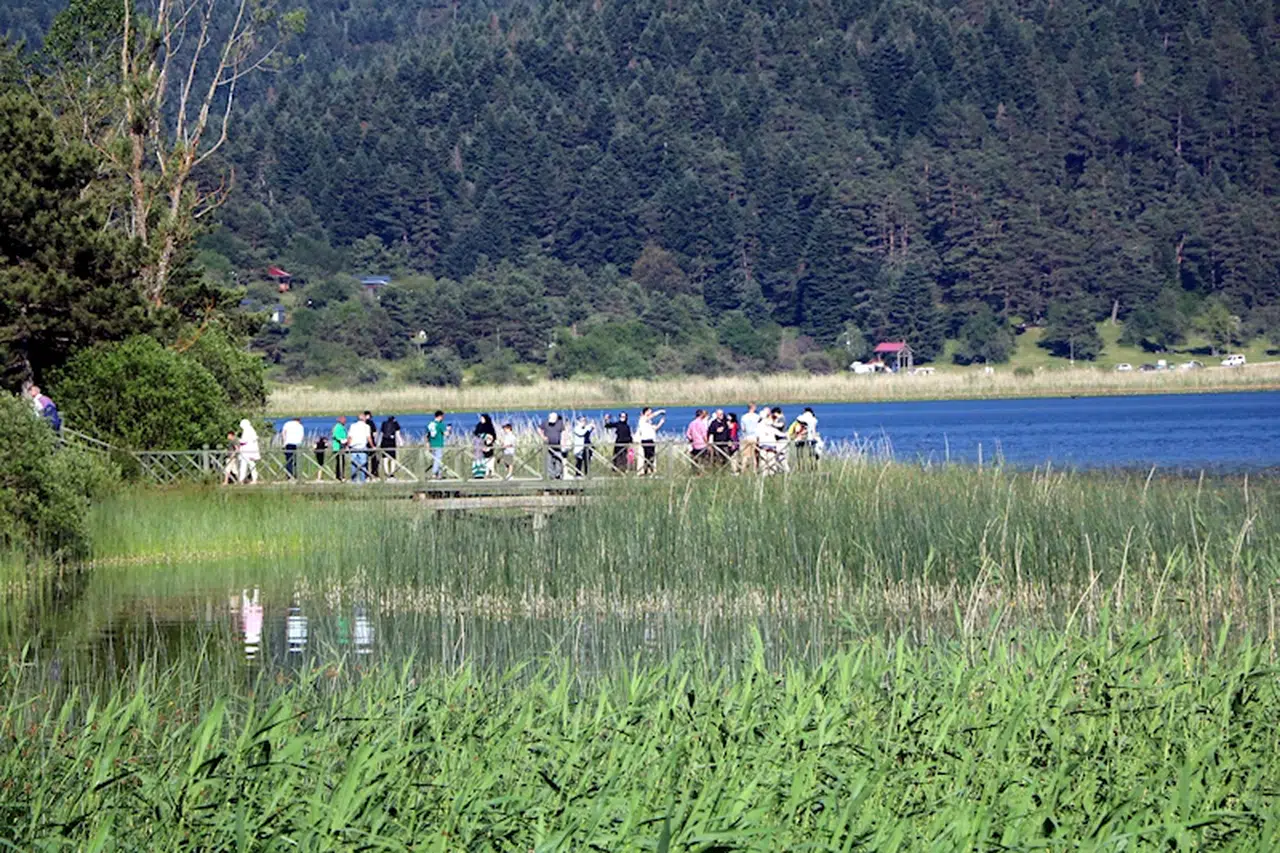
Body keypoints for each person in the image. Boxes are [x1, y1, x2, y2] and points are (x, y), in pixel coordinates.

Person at [635, 407, 664, 475]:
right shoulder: (642, 419)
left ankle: (650, 470)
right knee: (647, 456)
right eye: (649, 411)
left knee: (651, 456)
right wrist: (660, 411)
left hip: (651, 440)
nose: (651, 412)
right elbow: (652, 415)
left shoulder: (649, 422)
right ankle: (646, 470)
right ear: (646, 412)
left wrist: (661, 423)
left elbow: (655, 428)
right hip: (646, 440)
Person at [539, 412, 567, 479]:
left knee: (558, 461)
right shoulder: (545, 422)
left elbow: (563, 431)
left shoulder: (560, 423)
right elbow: (539, 429)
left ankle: (558, 475)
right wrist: (543, 437)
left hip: (557, 446)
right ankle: (551, 476)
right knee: (549, 461)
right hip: (548, 446)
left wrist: (563, 441)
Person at [347, 411, 373, 483]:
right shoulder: (367, 426)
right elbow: (368, 437)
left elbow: (350, 437)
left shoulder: (353, 426)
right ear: (364, 418)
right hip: (362, 447)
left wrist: (347, 446)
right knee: (363, 465)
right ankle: (362, 480)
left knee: (353, 465)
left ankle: (354, 480)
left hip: (354, 447)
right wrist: (373, 446)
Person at [473, 414, 497, 478]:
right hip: (480, 445)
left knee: (489, 457)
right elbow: (476, 433)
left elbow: (493, 436)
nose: (481, 420)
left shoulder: (489, 426)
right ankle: (482, 473)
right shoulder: (479, 425)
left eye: (483, 418)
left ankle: (491, 471)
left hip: (488, 444)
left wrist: (489, 439)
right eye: (481, 418)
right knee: (482, 459)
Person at [379, 415, 403, 479]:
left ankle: (386, 473)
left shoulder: (384, 424)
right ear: (394, 419)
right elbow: (398, 434)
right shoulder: (395, 424)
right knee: (393, 459)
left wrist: (378, 443)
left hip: (384, 443)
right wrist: (401, 443)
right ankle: (392, 473)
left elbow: (381, 434)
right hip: (392, 443)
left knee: (385, 459)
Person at [237, 419, 261, 484]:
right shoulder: (251, 430)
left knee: (247, 465)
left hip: (247, 451)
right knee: (248, 465)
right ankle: (244, 479)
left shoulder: (247, 430)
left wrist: (239, 440)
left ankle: (245, 479)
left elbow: (244, 441)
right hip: (249, 451)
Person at [426, 410, 449, 478]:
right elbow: (446, 434)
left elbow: (427, 435)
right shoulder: (440, 424)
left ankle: (439, 475)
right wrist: (448, 430)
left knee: (435, 460)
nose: (443, 418)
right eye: (443, 417)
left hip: (432, 444)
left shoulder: (430, 424)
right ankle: (434, 473)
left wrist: (428, 444)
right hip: (438, 444)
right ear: (440, 416)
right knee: (438, 459)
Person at [739, 403, 761, 472]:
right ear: (753, 408)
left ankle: (743, 469)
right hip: (755, 437)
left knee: (745, 455)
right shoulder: (757, 417)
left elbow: (743, 429)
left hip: (746, 437)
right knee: (754, 455)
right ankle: (754, 470)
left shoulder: (744, 417)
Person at [330, 416, 349, 481]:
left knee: (342, 462)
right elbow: (336, 436)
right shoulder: (337, 427)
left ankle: (341, 475)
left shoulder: (342, 427)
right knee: (339, 462)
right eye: (344, 420)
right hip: (338, 447)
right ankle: (339, 476)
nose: (345, 421)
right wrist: (343, 440)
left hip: (342, 447)